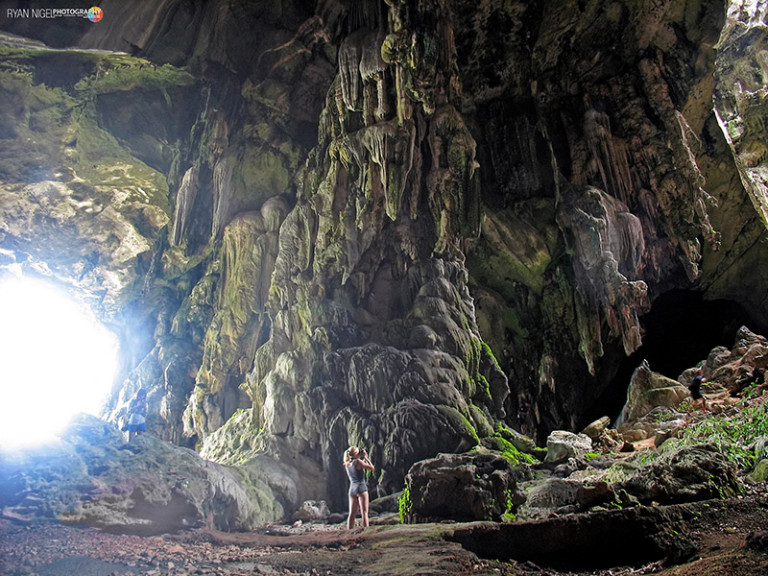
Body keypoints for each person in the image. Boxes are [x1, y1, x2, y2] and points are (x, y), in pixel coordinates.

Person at [343, 445, 375, 529]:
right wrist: (366, 458)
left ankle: (349, 532)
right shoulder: (358, 462)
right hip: (361, 488)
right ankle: (366, 532)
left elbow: (360, 467)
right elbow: (372, 468)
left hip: (352, 489)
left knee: (352, 514)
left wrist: (362, 459)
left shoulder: (347, 464)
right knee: (364, 512)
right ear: (356, 453)